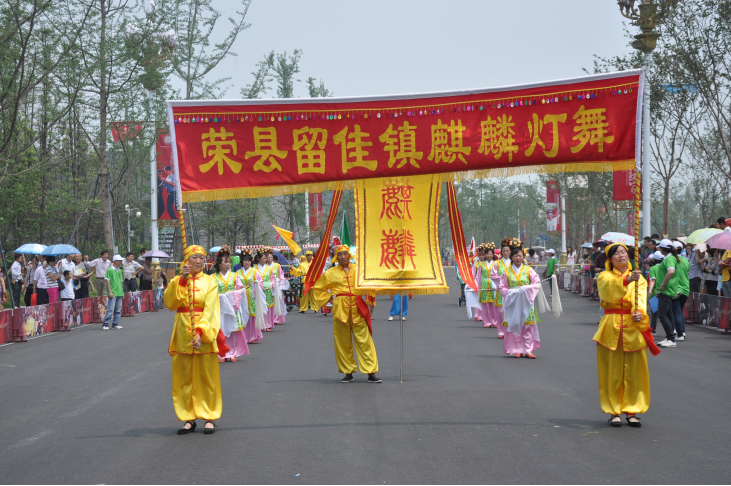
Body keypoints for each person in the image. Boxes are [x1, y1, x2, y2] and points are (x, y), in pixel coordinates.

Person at [594, 242, 654, 428]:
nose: (621, 255)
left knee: (635, 372)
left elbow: (641, 300)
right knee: (612, 371)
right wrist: (627, 280)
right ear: (610, 260)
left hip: (633, 328)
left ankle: (632, 411)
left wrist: (640, 313)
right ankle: (614, 411)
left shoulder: (640, 279)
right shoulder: (604, 276)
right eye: (616, 253)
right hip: (610, 328)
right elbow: (607, 292)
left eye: (623, 252)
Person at [164, 245, 222, 435]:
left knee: (207, 376)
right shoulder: (177, 280)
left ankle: (209, 416)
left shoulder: (210, 281)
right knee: (183, 378)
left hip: (203, 332)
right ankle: (188, 418)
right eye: (194, 257)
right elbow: (170, 303)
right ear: (186, 260)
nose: (198, 261)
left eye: (202, 258)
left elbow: (211, 309)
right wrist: (181, 280)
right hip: (182, 331)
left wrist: (200, 331)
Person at [312, 245, 381, 384]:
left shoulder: (359, 269)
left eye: (345, 254)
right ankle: (348, 372)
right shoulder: (330, 273)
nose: (343, 257)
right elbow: (318, 288)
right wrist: (332, 299)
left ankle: (371, 372)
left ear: (350, 255)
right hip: (340, 310)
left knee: (364, 340)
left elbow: (372, 280)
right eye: (340, 254)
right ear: (336, 257)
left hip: (358, 307)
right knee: (342, 341)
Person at [498, 239, 542, 359]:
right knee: (515, 324)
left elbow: (537, 283)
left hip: (526, 301)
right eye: (515, 256)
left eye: (520, 256)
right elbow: (502, 287)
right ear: (511, 257)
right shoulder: (506, 272)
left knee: (527, 326)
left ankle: (528, 349)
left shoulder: (529, 270)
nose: (518, 258)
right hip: (512, 302)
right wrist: (511, 292)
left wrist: (526, 289)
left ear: (524, 257)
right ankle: (516, 349)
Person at [214, 246, 249, 363]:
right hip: (219, 307)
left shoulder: (234, 276)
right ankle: (222, 353)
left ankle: (233, 352)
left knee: (233, 331)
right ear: (219, 264)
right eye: (225, 262)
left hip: (233, 306)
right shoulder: (212, 277)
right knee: (221, 330)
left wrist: (231, 294)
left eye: (229, 262)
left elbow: (240, 289)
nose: (228, 264)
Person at [235, 250, 266, 344]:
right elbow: (235, 284)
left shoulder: (254, 271)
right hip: (241, 296)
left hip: (252, 295)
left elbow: (261, 283)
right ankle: (243, 336)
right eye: (245, 260)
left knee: (252, 316)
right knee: (243, 315)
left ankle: (253, 336)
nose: (247, 262)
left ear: (251, 262)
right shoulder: (237, 272)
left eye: (248, 261)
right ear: (242, 261)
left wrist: (256, 284)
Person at [655, 239, 678, 347]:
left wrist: (663, 285)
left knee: (662, 314)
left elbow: (671, 271)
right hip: (665, 290)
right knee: (668, 315)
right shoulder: (669, 258)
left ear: (662, 248)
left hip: (666, 290)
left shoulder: (669, 258)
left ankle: (671, 339)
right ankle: (669, 337)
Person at [491, 239, 513, 339]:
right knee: (500, 312)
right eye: (503, 250)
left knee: (511, 310)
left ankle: (510, 329)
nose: (505, 252)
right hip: (501, 290)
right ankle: (501, 331)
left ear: (510, 251)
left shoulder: (514, 263)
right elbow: (493, 275)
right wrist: (504, 281)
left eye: (507, 250)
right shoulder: (497, 263)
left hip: (512, 290)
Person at [474, 243, 500, 328]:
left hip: (493, 286)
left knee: (494, 305)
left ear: (493, 255)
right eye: (487, 254)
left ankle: (495, 321)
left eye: (490, 254)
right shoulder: (481, 265)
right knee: (485, 306)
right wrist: (478, 287)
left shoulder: (496, 264)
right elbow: (479, 277)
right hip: (484, 285)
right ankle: (487, 321)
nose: (488, 255)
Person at [102, 255, 125, 331]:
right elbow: (107, 281)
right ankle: (105, 324)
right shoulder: (110, 270)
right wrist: (110, 292)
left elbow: (120, 282)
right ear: (115, 261)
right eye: (119, 260)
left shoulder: (119, 270)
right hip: (113, 292)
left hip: (119, 292)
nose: (121, 262)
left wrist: (122, 292)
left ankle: (115, 324)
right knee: (111, 309)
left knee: (118, 309)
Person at [672, 241, 690, 341]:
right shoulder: (686, 260)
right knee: (679, 310)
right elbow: (687, 273)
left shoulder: (671, 260)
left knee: (677, 311)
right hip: (686, 289)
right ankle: (682, 331)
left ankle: (680, 333)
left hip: (675, 289)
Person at [255, 251, 276, 332]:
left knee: (268, 307)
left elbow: (272, 278)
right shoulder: (254, 269)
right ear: (258, 259)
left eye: (265, 258)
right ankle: (260, 324)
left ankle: (268, 324)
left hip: (268, 289)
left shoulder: (269, 268)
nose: (265, 260)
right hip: (259, 289)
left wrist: (271, 284)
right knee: (260, 306)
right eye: (263, 258)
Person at [646, 251, 664, 335]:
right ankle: (672, 329)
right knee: (667, 313)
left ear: (654, 259)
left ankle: (653, 329)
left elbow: (652, 279)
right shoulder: (665, 267)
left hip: (654, 292)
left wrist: (650, 290)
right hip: (665, 291)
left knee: (654, 312)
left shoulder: (653, 268)